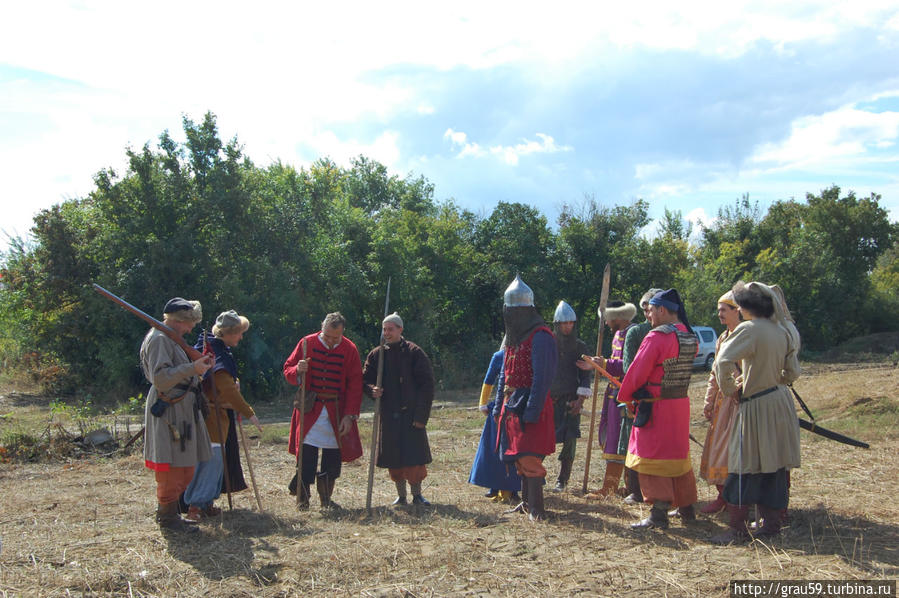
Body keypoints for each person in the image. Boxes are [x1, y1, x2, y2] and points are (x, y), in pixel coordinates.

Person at [710, 282, 801, 544]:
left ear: (745, 307)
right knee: (774, 462)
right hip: (780, 402)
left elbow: (722, 361)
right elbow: (793, 371)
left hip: (757, 405)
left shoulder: (749, 330)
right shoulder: (781, 329)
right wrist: (775, 379)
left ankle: (737, 528)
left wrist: (731, 390)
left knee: (744, 463)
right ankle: (771, 526)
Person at [617, 289, 698, 530]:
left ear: (662, 310)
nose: (649, 316)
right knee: (678, 456)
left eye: (651, 311)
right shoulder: (688, 335)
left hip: (656, 407)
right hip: (679, 406)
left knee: (653, 458)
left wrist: (626, 395)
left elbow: (637, 371)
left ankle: (659, 513)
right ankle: (686, 507)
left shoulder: (657, 337)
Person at [140, 297, 213, 533]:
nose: (191, 328)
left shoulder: (172, 340)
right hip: (170, 408)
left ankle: (171, 516)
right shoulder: (160, 339)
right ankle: (168, 519)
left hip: (182, 408)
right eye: (189, 323)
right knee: (171, 469)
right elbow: (161, 379)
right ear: (180, 320)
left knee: (185, 468)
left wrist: (198, 368)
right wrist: (193, 368)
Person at [184, 310, 263, 521]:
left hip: (213, 416)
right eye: (239, 333)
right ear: (229, 333)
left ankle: (205, 503)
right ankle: (196, 506)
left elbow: (225, 383)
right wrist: (249, 413)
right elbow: (224, 387)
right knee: (210, 463)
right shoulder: (214, 351)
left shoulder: (214, 347)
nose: (241, 337)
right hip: (210, 418)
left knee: (213, 462)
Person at [493, 275, 558, 521]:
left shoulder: (541, 336)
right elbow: (504, 375)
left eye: (512, 309)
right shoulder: (514, 338)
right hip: (512, 405)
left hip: (531, 404)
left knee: (530, 456)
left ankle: (537, 509)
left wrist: (532, 411)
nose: (508, 313)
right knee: (519, 456)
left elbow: (542, 379)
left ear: (523, 310)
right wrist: (499, 406)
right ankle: (526, 503)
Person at [284, 312, 363, 510]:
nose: (330, 341)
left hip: (336, 410)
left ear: (342, 333)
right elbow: (288, 370)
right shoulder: (306, 343)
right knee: (306, 458)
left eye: (335, 337)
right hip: (311, 409)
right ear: (322, 328)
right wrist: (298, 370)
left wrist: (349, 415)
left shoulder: (349, 348)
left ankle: (326, 499)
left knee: (332, 459)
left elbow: (355, 383)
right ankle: (302, 499)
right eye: (327, 336)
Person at [363, 312, 436, 505]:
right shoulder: (376, 354)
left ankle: (417, 495)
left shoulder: (414, 352)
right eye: (384, 329)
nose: (387, 333)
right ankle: (401, 496)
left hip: (411, 415)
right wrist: (372, 390)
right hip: (388, 415)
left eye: (390, 329)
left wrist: (421, 416)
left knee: (413, 459)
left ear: (400, 329)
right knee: (393, 459)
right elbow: (365, 380)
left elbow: (427, 385)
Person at [581, 300, 637, 499]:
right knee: (614, 439)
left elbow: (630, 364)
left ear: (618, 317)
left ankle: (614, 488)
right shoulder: (618, 333)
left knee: (620, 441)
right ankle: (622, 487)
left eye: (607, 319)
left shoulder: (634, 333)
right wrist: (598, 365)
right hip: (614, 394)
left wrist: (605, 363)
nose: (605, 323)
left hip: (626, 396)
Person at [698, 292, 741, 514]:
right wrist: (708, 400)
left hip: (738, 404)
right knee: (717, 449)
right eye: (719, 309)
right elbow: (715, 372)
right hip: (721, 404)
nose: (719, 314)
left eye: (724, 309)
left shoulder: (745, 335)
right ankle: (722, 496)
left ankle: (737, 499)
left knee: (731, 451)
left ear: (737, 311)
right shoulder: (722, 337)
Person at [619, 289, 663, 504]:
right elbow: (629, 368)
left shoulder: (669, 331)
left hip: (664, 398)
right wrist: (636, 394)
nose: (648, 314)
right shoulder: (636, 333)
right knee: (636, 443)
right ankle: (635, 490)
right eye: (646, 309)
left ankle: (661, 493)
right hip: (640, 397)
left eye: (652, 309)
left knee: (661, 446)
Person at [468, 341, 522, 503]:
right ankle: (494, 486)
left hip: (518, 408)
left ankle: (512, 488)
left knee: (514, 450)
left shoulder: (525, 357)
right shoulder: (499, 356)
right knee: (494, 450)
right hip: (499, 410)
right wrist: (483, 403)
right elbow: (489, 380)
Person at [549, 301, 592, 492]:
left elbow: (585, 376)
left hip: (571, 401)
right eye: (564, 323)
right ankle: (534, 476)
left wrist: (580, 400)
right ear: (557, 324)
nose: (568, 326)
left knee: (570, 440)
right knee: (542, 439)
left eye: (571, 323)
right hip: (550, 400)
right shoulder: (548, 344)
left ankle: (562, 480)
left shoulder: (579, 346)